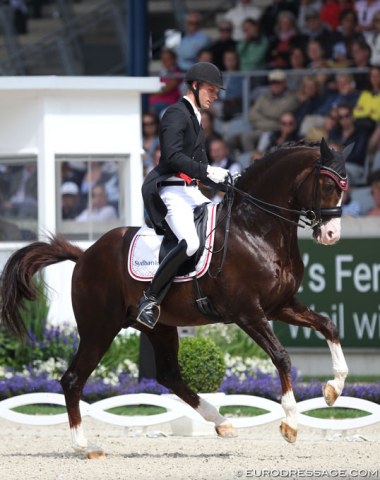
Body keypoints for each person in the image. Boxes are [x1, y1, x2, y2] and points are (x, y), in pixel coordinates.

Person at [137, 62, 229, 328]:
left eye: (216, 91)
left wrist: (224, 181)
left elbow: (199, 168)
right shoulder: (176, 113)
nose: (214, 95)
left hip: (193, 192)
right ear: (196, 86)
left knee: (224, 225)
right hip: (173, 191)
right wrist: (207, 171)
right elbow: (173, 156)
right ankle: (150, 298)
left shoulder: (196, 117)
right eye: (211, 90)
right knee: (189, 242)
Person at [148, 48, 182, 117]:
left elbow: (165, 89)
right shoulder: (162, 73)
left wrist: (151, 91)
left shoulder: (178, 73)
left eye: (167, 59)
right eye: (163, 59)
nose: (165, 61)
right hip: (153, 102)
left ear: (174, 59)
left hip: (167, 103)